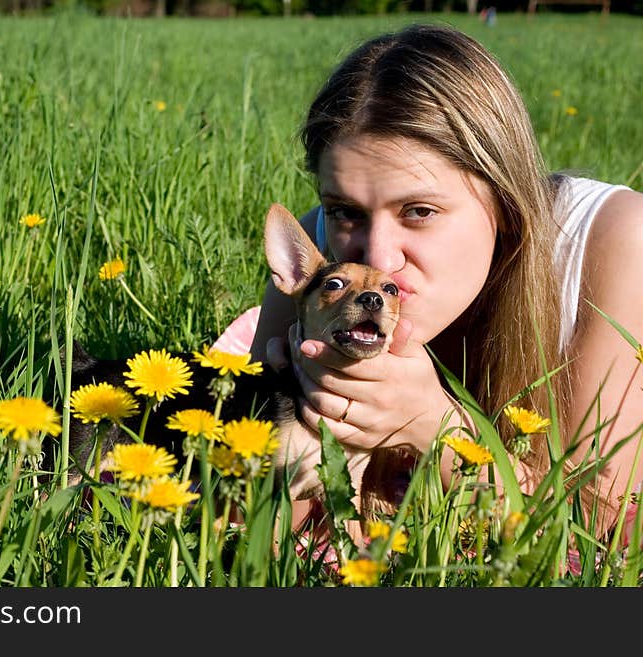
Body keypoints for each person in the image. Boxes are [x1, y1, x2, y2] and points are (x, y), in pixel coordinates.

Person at [222, 23, 643, 542]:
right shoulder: (320, 246)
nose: (377, 257)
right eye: (345, 211)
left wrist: (431, 426)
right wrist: (304, 412)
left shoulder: (615, 241)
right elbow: (256, 523)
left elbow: (603, 529)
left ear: (506, 204)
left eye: (419, 211)